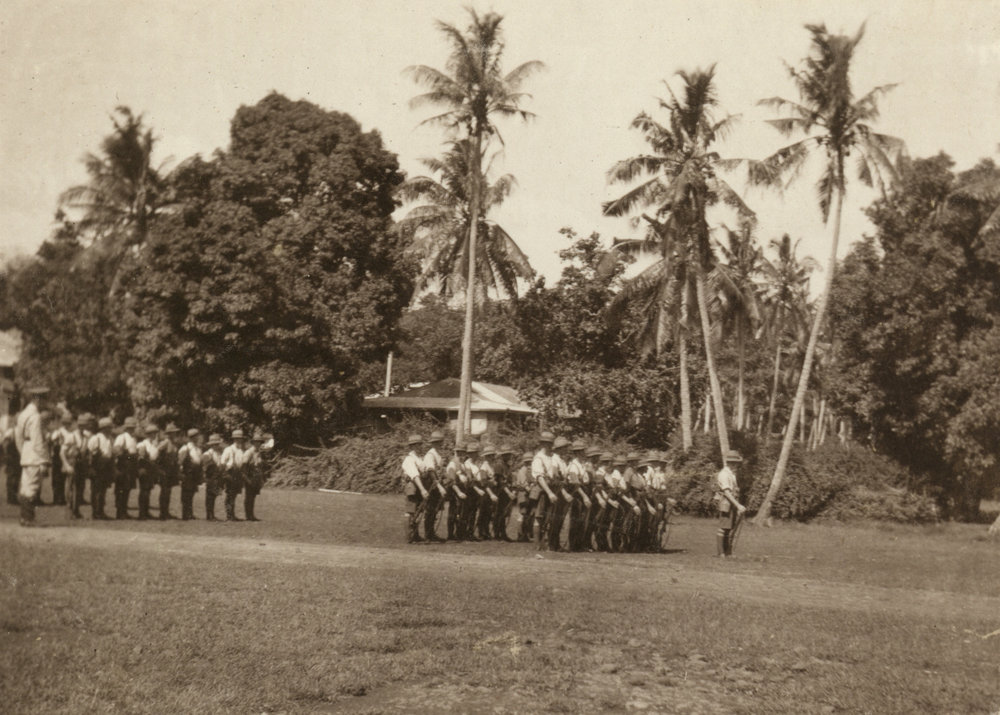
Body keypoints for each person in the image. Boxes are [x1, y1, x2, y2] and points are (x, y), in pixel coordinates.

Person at [13, 386, 51, 526]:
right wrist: (44, 459)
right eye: (44, 399)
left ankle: (24, 517)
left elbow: (18, 436)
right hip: (35, 455)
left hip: (26, 453)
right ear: (38, 399)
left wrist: (22, 451)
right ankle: (29, 518)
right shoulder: (35, 417)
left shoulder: (23, 414)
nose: (45, 403)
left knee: (25, 486)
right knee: (32, 487)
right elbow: (37, 440)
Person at [715, 450, 747, 557]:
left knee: (729, 527)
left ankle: (727, 551)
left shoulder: (732, 474)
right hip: (725, 503)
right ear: (730, 463)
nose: (737, 465)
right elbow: (727, 492)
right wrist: (738, 505)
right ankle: (721, 553)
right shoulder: (723, 474)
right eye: (735, 463)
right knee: (723, 527)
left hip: (732, 503)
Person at [531, 431, 558, 551]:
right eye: (548, 444)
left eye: (551, 444)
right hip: (542, 491)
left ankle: (543, 542)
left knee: (548, 517)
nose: (550, 446)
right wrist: (549, 492)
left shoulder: (551, 457)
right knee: (539, 517)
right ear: (543, 444)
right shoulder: (538, 458)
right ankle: (537, 544)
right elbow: (539, 478)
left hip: (551, 488)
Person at [401, 434, 429, 543]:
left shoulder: (419, 458)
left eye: (420, 444)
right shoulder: (409, 459)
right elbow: (415, 475)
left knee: (418, 510)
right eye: (416, 445)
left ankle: (415, 534)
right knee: (410, 511)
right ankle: (409, 536)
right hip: (413, 487)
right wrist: (422, 489)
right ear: (412, 446)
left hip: (420, 485)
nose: (419, 447)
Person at [87, 417, 114, 520]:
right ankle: (95, 512)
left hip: (106, 467)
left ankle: (101, 511)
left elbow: (111, 454)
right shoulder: (96, 438)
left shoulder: (110, 439)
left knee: (103, 490)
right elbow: (89, 454)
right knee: (96, 490)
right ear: (104, 428)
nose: (110, 429)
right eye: (109, 427)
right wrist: (90, 468)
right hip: (97, 467)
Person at [421, 430, 446, 542]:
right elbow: (431, 471)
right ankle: (427, 535)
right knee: (430, 509)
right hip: (430, 483)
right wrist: (438, 485)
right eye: (436, 442)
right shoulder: (430, 455)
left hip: (437, 483)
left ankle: (431, 533)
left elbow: (439, 470)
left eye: (440, 442)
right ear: (432, 443)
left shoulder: (438, 454)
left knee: (435, 510)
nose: (439, 444)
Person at [112, 416, 139, 519]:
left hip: (131, 466)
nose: (131, 429)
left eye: (133, 427)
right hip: (123, 465)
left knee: (127, 489)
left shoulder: (133, 438)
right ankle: (120, 512)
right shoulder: (121, 437)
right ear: (126, 428)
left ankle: (124, 510)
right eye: (129, 427)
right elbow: (116, 450)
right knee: (121, 489)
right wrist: (126, 455)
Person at [221, 429, 249, 522]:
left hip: (238, 474)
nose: (238, 440)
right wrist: (225, 474)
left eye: (240, 439)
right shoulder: (228, 449)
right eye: (236, 439)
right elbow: (222, 462)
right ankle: (229, 515)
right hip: (230, 473)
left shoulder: (241, 450)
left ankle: (232, 514)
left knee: (234, 495)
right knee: (229, 494)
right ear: (234, 439)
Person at [177, 428, 204, 520]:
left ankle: (190, 513)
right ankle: (185, 514)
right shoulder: (185, 448)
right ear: (191, 438)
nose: (197, 438)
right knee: (186, 494)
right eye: (196, 436)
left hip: (195, 475)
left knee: (191, 493)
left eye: (197, 436)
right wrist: (180, 474)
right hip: (187, 474)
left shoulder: (197, 449)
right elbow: (180, 462)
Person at [136, 424, 161, 520]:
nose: (154, 435)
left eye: (155, 433)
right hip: (144, 469)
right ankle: (142, 513)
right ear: (148, 434)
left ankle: (146, 511)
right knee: (144, 491)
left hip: (151, 470)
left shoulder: (153, 445)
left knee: (148, 490)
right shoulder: (143, 444)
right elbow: (141, 458)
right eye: (152, 433)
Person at [443, 443, 467, 540]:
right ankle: (451, 535)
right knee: (453, 513)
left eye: (463, 452)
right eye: (459, 452)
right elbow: (451, 481)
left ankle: (459, 533)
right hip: (454, 491)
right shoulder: (453, 464)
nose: (461, 455)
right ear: (456, 452)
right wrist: (459, 492)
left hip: (461, 490)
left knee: (460, 512)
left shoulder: (462, 464)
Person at [157, 423, 182, 520]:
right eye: (173, 433)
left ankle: (166, 511)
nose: (175, 434)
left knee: (168, 491)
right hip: (164, 470)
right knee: (164, 491)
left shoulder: (174, 443)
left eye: (175, 433)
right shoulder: (165, 442)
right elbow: (157, 453)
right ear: (169, 434)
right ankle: (162, 513)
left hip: (171, 471)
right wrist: (159, 468)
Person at [243, 431, 267, 521]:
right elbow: (244, 466)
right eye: (256, 442)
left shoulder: (259, 453)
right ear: (253, 443)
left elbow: (260, 466)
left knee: (253, 496)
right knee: (249, 496)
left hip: (256, 477)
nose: (258, 444)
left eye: (259, 442)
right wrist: (246, 478)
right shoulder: (249, 452)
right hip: (249, 476)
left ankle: (251, 515)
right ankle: (248, 515)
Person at [512, 451, 534, 542]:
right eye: (528, 462)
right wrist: (530, 487)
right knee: (522, 514)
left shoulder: (527, 470)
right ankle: (520, 535)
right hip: (523, 494)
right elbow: (524, 484)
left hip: (525, 493)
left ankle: (524, 534)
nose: (529, 463)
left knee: (526, 514)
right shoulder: (522, 471)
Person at [201, 433, 224, 520]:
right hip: (210, 477)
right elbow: (204, 467)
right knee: (210, 496)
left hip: (217, 477)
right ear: (211, 445)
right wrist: (205, 477)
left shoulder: (218, 453)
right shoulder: (207, 454)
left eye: (217, 444)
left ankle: (212, 514)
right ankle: (209, 515)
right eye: (214, 444)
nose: (216, 446)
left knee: (214, 496)